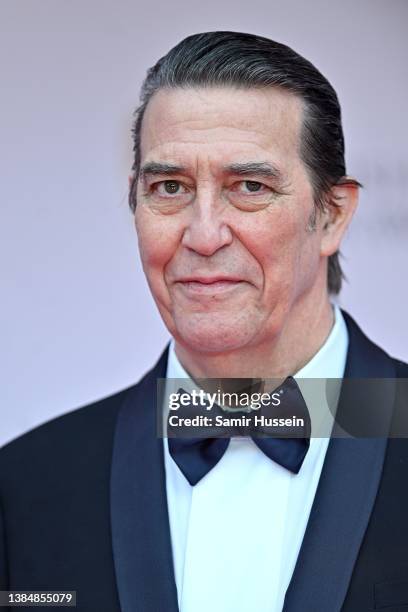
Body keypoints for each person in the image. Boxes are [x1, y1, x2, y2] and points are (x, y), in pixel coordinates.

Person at [1, 31, 407, 612]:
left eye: (249, 187)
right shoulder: (25, 486)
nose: (204, 234)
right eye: (170, 188)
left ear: (332, 216)